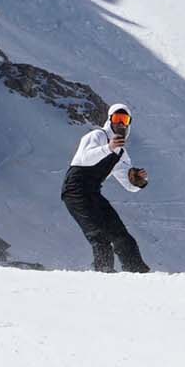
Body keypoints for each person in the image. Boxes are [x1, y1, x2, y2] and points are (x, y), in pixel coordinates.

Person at [62, 102, 151, 272]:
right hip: (74, 190)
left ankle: (137, 272)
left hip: (93, 192)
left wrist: (138, 181)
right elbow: (84, 158)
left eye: (124, 120)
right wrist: (108, 148)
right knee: (99, 236)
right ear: (110, 120)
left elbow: (129, 184)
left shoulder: (120, 152)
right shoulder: (97, 136)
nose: (120, 124)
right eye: (117, 118)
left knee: (121, 234)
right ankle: (104, 274)